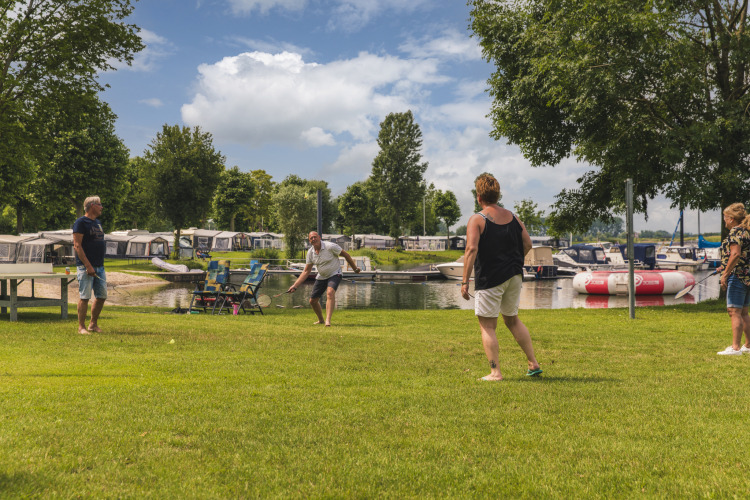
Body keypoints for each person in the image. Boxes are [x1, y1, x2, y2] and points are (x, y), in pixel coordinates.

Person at [461, 174, 541, 380]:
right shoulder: (514, 218)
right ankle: (533, 363)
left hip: (490, 278)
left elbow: (471, 250)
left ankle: (495, 372)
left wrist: (464, 282)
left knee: (487, 325)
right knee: (512, 320)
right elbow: (528, 244)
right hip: (514, 276)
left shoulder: (477, 219)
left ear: (479, 197)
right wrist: (514, 261)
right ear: (498, 195)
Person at [287, 231, 361, 326]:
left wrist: (355, 269)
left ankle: (328, 321)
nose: (313, 239)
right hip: (321, 276)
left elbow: (346, 255)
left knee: (330, 293)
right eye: (311, 238)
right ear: (309, 241)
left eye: (315, 237)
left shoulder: (330, 246)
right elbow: (306, 271)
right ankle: (321, 320)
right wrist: (295, 286)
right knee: (312, 301)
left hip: (335, 273)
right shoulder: (310, 253)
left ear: (319, 237)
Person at [716, 203, 750, 355]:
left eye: (725, 217)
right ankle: (748, 346)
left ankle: (735, 347)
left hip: (737, 276)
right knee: (743, 312)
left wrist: (725, 274)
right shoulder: (746, 231)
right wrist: (724, 266)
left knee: (733, 311)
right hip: (747, 276)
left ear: (731, 219)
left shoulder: (735, 232)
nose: (724, 220)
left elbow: (735, 254)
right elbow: (743, 255)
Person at [72, 196, 107, 335]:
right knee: (85, 296)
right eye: (99, 204)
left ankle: (93, 324)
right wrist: (88, 266)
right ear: (92, 205)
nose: (101, 207)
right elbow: (77, 245)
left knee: (102, 296)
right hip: (85, 267)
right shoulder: (81, 222)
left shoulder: (97, 223)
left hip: (100, 266)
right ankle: (81, 327)